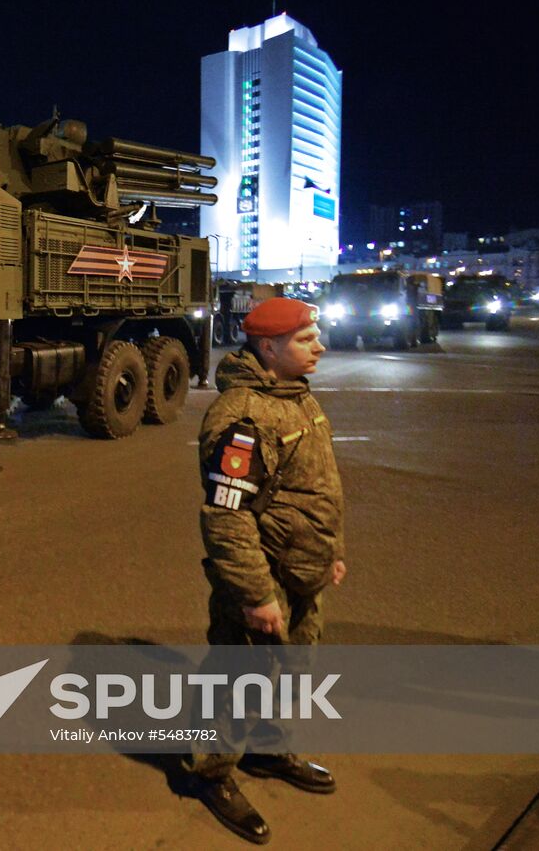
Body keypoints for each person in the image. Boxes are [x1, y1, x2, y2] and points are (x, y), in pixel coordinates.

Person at [184, 297, 347, 845]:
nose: (320, 346)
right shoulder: (245, 416)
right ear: (269, 348)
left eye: (315, 336)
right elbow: (226, 516)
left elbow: (316, 487)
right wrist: (256, 594)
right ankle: (212, 774)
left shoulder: (296, 396)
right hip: (265, 575)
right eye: (306, 339)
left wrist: (331, 552)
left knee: (294, 671)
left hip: (304, 571)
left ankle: (268, 749)